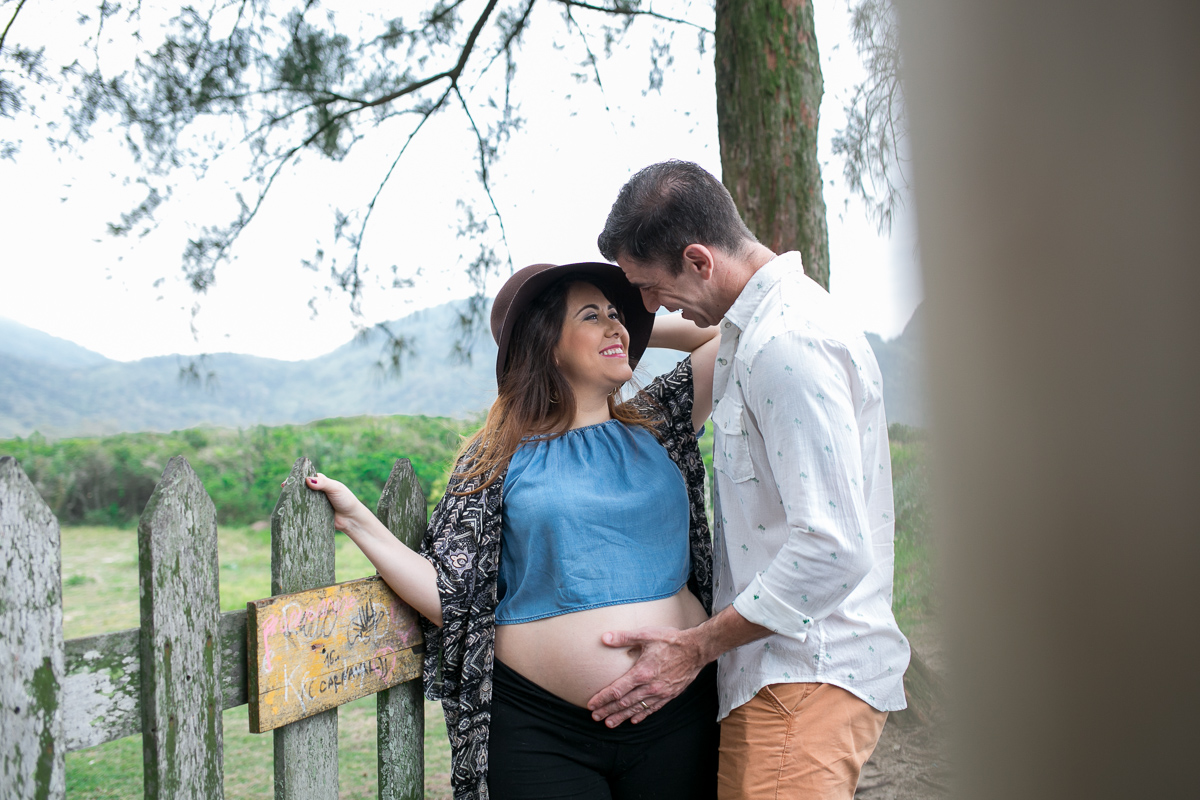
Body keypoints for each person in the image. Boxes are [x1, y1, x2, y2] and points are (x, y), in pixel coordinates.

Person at [301, 260, 722, 800]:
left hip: (677, 711)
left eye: (616, 313)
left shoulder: (660, 423)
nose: (614, 325)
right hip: (541, 731)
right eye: (590, 315)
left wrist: (633, 331)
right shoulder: (497, 458)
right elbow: (451, 596)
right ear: (545, 343)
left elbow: (730, 330)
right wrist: (360, 520)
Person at [587, 160, 911, 800]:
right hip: (778, 681)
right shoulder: (751, 330)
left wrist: (694, 649)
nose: (649, 305)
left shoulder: (788, 344)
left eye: (651, 287)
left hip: (805, 678)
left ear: (699, 261)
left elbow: (832, 551)